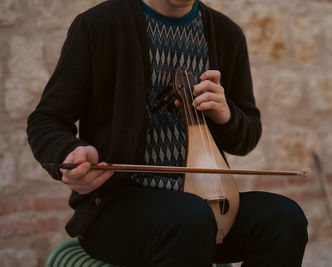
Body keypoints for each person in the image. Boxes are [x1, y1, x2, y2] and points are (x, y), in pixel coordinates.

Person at [27, 0, 308, 266]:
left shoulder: (226, 34)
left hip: (209, 205)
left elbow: (249, 135)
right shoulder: (97, 26)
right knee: (189, 217)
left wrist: (227, 115)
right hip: (116, 208)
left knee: (285, 219)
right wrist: (69, 152)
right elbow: (46, 120)